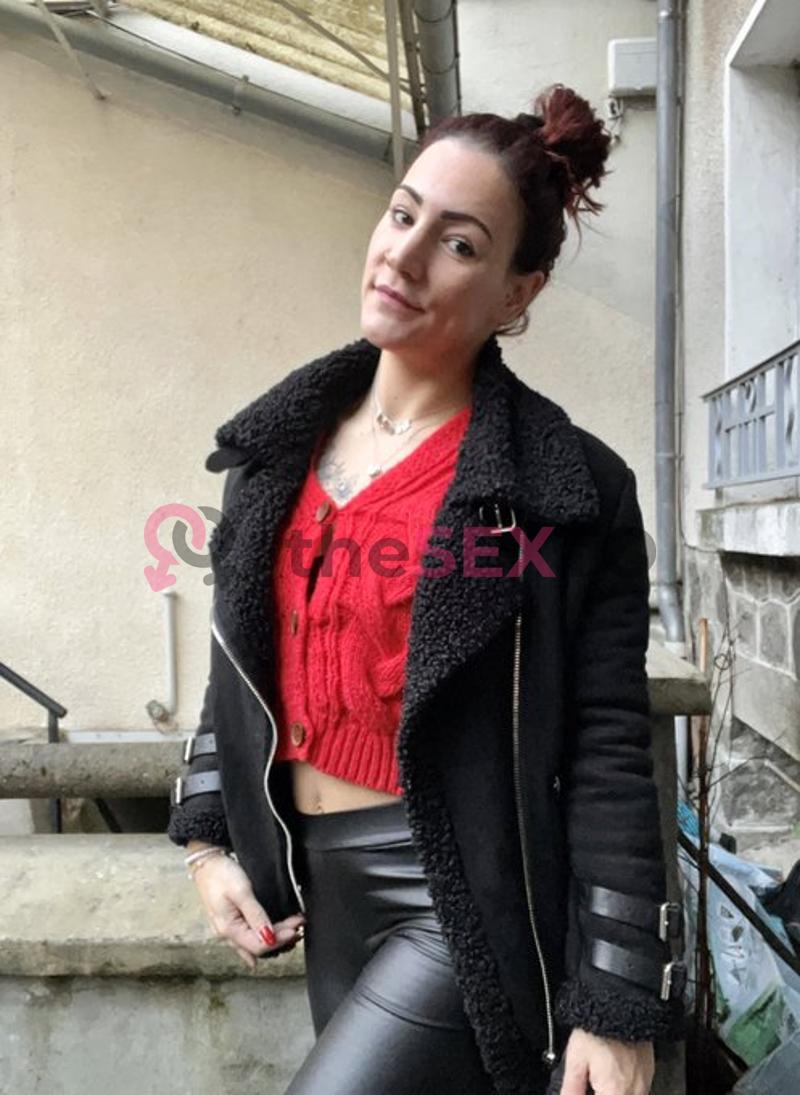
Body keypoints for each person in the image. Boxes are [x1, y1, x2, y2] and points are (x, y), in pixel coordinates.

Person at [167, 84, 685, 1095]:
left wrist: (616, 996)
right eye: (401, 214)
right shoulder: (273, 453)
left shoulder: (563, 489)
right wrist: (209, 834)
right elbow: (244, 663)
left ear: (516, 293)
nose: (402, 256)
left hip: (462, 896)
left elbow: (608, 742)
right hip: (318, 882)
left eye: (457, 243)